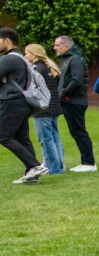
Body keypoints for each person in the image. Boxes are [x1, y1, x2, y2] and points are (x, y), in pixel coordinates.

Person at [0, 28, 46, 183]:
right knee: (22, 138)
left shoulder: (9, 59)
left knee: (3, 135)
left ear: (7, 41)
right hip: (23, 103)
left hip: (12, 101)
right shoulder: (20, 58)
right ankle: (32, 175)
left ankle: (34, 166)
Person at [52, 35, 95, 172]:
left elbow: (77, 80)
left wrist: (64, 94)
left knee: (79, 131)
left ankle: (89, 163)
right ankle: (85, 161)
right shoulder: (68, 59)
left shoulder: (75, 59)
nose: (54, 48)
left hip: (74, 101)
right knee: (75, 131)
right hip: (70, 101)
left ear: (66, 46)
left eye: (57, 45)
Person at [25, 43, 64, 174]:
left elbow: (34, 90)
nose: (25, 56)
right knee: (55, 137)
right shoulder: (49, 68)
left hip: (43, 109)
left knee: (46, 140)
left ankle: (53, 168)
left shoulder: (37, 69)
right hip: (54, 107)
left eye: (27, 53)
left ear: (34, 54)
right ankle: (59, 165)